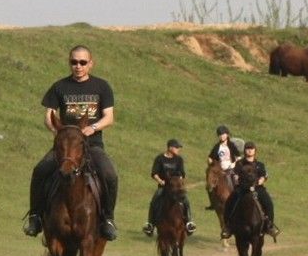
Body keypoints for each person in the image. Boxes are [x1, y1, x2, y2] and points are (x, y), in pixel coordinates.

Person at [23, 45, 119, 241]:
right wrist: (58, 133)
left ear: (91, 64)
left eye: (83, 62)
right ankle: (35, 217)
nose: (78, 66)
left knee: (110, 174)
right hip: (66, 147)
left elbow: (109, 117)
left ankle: (108, 219)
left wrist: (92, 128)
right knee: (40, 170)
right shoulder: (59, 87)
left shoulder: (102, 87)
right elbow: (49, 116)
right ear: (69, 63)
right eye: (74, 62)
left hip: (92, 145)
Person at [221, 141, 280, 240]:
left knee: (268, 202)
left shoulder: (259, 164)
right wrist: (236, 178)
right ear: (244, 150)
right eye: (247, 148)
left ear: (255, 151)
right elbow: (234, 174)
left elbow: (264, 175)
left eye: (251, 148)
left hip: (257, 188)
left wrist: (261, 180)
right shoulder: (240, 163)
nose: (249, 150)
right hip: (242, 189)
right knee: (229, 202)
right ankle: (227, 226)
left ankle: (270, 225)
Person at [142, 139, 197, 237]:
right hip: (164, 187)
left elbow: (182, 174)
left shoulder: (179, 159)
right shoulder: (159, 159)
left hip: (176, 188)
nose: (178, 149)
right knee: (154, 200)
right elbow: (154, 173)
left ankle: (189, 222)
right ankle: (150, 224)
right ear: (170, 147)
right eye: (176, 147)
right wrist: (160, 181)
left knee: (186, 200)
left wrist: (179, 182)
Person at [205, 124, 241, 210]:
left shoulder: (231, 145)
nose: (221, 136)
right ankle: (213, 203)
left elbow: (238, 156)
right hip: (220, 169)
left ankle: (238, 199)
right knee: (210, 184)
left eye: (223, 134)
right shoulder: (217, 146)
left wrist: (234, 164)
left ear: (227, 135)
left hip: (230, 168)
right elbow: (210, 157)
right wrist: (210, 161)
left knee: (234, 180)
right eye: (220, 135)